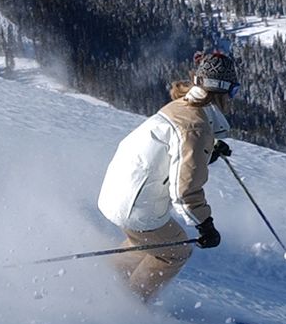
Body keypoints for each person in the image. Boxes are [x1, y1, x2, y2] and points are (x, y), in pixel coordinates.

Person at [97, 50, 239, 302]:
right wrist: (205, 225)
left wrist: (208, 152)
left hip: (118, 191)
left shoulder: (182, 106)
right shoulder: (196, 127)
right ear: (222, 91)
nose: (233, 98)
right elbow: (185, 190)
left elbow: (174, 155)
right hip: (136, 205)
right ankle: (130, 303)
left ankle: (105, 279)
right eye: (234, 91)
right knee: (175, 250)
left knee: (148, 241)